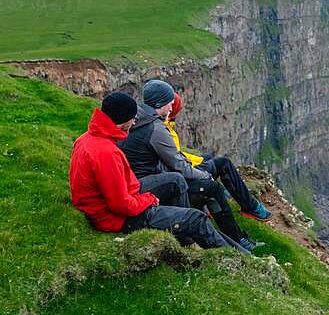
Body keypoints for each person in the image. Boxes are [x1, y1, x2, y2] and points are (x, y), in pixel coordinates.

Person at [69, 91, 244, 252]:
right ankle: (242, 260)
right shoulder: (106, 153)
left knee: (176, 181)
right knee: (196, 219)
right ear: (123, 121)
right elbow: (121, 205)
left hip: (120, 196)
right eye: (133, 118)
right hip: (115, 217)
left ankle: (182, 234)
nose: (135, 121)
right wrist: (148, 200)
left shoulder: (87, 139)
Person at [118, 82, 265, 252]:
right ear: (160, 103)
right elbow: (179, 165)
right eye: (170, 101)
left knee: (209, 174)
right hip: (150, 186)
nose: (173, 105)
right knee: (211, 187)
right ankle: (228, 238)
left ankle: (235, 235)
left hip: (140, 180)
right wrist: (203, 175)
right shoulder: (155, 129)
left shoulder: (137, 118)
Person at [145, 79, 272, 223]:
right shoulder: (162, 130)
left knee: (208, 157)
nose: (171, 109)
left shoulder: (159, 125)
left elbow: (174, 153)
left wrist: (199, 159)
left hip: (170, 170)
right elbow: (176, 160)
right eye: (172, 106)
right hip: (176, 173)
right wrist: (199, 164)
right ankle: (250, 207)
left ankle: (208, 202)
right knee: (223, 163)